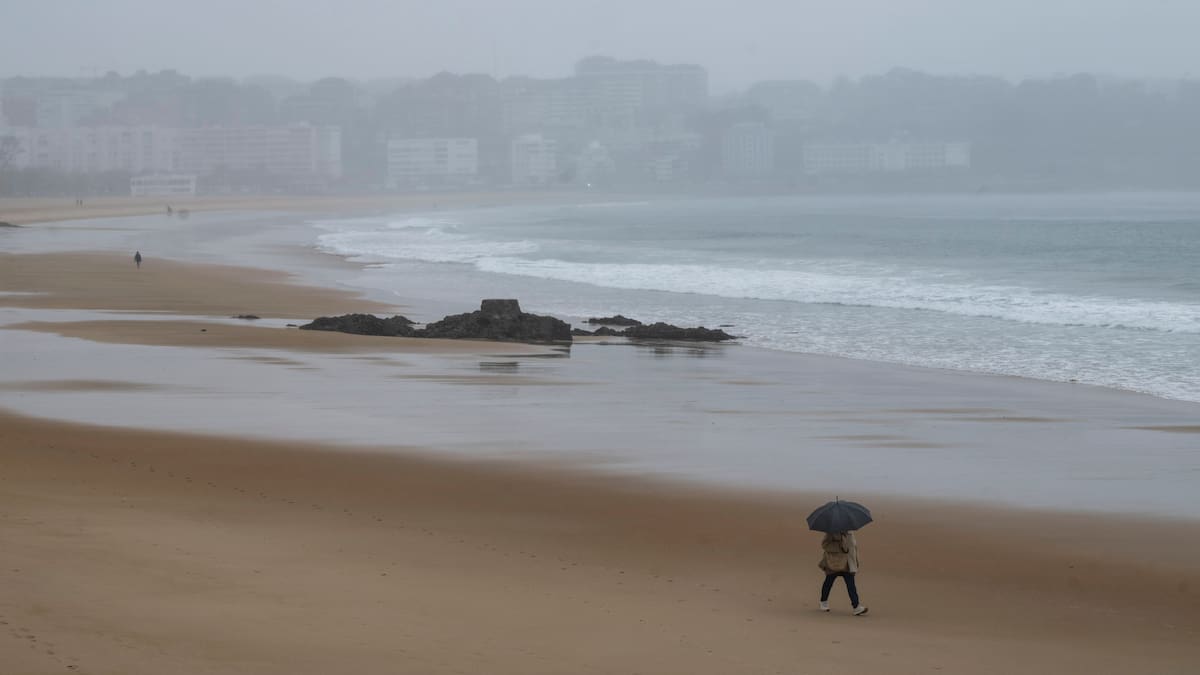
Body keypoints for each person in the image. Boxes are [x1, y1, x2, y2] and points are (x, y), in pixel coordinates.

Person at [819, 531, 868, 615]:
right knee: (828, 582)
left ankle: (856, 607)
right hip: (834, 562)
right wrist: (839, 546)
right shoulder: (831, 532)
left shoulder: (850, 533)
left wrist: (855, 563)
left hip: (848, 563)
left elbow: (853, 548)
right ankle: (824, 601)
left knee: (851, 585)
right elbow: (825, 544)